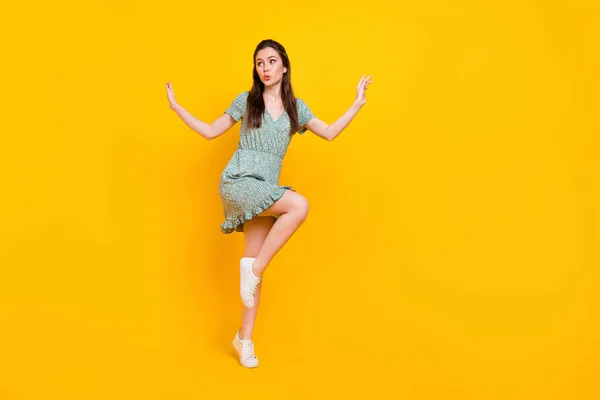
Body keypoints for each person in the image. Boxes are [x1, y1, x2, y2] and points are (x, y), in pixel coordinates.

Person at [165, 39, 372, 368]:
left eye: (271, 61)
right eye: (260, 63)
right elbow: (208, 131)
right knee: (298, 206)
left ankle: (244, 340)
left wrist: (357, 104)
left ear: (284, 67)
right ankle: (255, 269)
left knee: (252, 273)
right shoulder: (246, 102)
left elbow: (330, 133)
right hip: (238, 183)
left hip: (265, 190)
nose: (265, 68)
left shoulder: (296, 109)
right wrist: (177, 107)